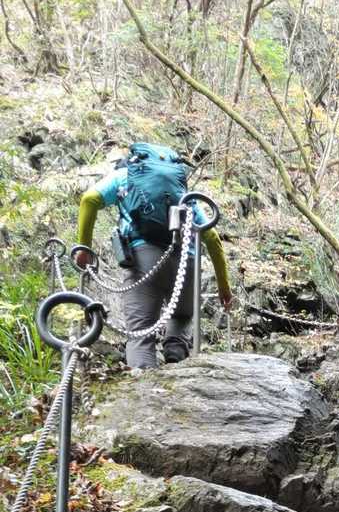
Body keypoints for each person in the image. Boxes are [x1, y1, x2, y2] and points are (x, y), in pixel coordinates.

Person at [74, 144, 233, 370]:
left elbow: (89, 199)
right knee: (182, 316)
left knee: (141, 333)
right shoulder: (180, 192)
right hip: (186, 261)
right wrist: (224, 288)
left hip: (143, 259)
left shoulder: (124, 177)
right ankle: (175, 356)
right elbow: (212, 238)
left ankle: (144, 387)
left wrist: (84, 248)